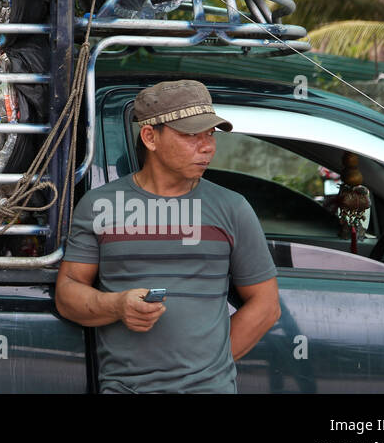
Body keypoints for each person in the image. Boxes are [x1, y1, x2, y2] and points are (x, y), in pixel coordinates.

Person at [55, 79, 280, 393]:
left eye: (210, 135)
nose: (207, 146)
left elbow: (266, 304)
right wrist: (117, 305)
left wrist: (209, 371)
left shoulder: (232, 208)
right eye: (191, 135)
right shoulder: (99, 206)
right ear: (150, 136)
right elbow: (68, 294)